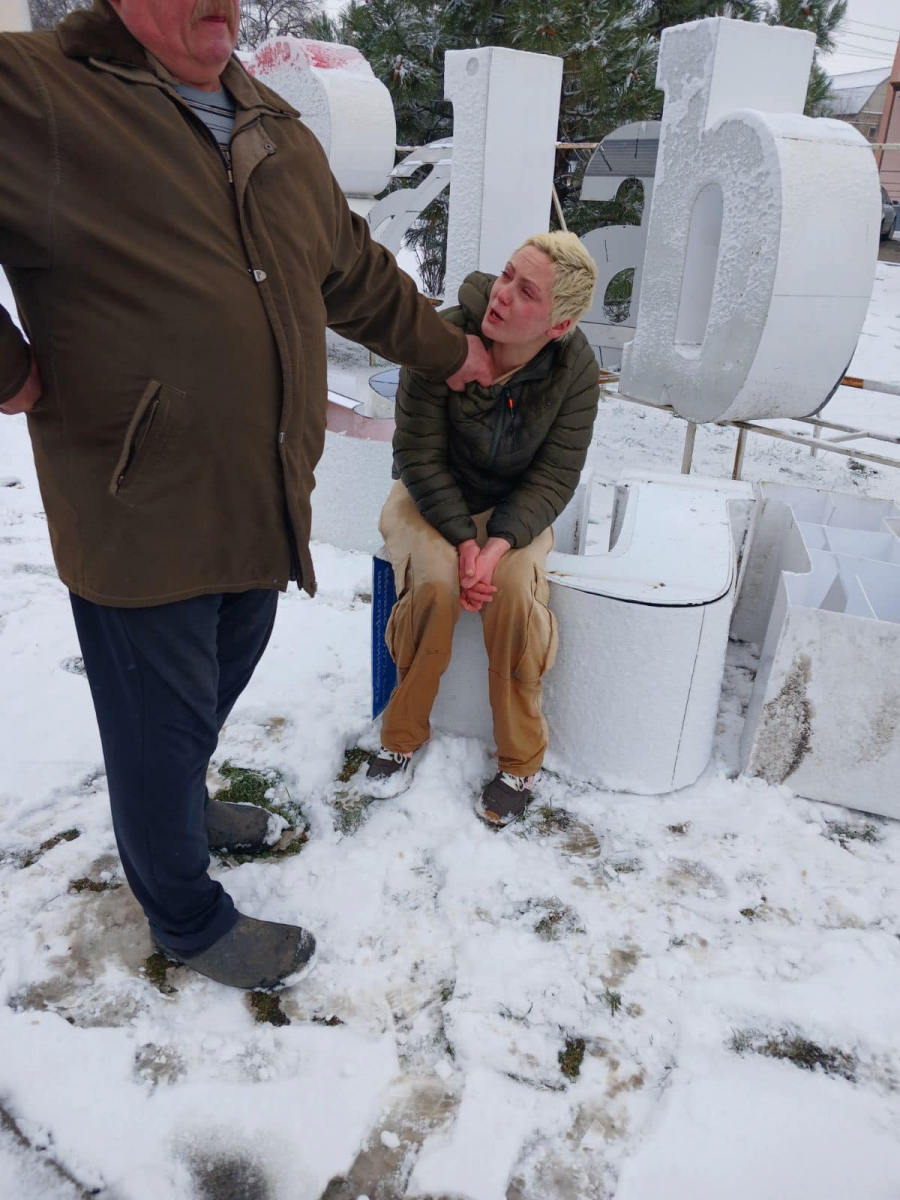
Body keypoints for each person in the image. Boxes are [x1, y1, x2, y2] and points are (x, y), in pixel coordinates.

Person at [0, 0, 493, 991]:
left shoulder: (265, 117)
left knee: (218, 677)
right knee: (160, 722)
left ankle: (177, 809)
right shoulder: (43, 91)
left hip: (260, 489)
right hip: (135, 500)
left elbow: (353, 271)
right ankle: (185, 916)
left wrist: (455, 352)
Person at [366, 233, 601, 826]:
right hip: (427, 496)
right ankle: (400, 735)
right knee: (438, 584)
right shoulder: (440, 337)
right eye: (505, 276)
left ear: (558, 324)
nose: (502, 296)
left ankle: (520, 761)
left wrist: (497, 544)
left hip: (514, 512)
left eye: (526, 293)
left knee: (517, 595)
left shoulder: (575, 368)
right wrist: (464, 544)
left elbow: (555, 473)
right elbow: (418, 454)